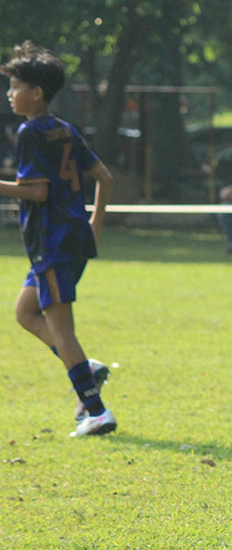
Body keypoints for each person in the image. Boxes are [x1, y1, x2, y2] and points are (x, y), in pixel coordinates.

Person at [0, 41, 116, 437]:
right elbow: (104, 177)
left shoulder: (30, 132)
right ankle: (89, 370)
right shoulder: (64, 129)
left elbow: (37, 191)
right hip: (68, 241)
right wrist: (93, 226)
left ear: (36, 92)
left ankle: (97, 411)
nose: (10, 94)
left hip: (52, 243)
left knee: (62, 331)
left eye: (15, 87)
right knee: (24, 313)